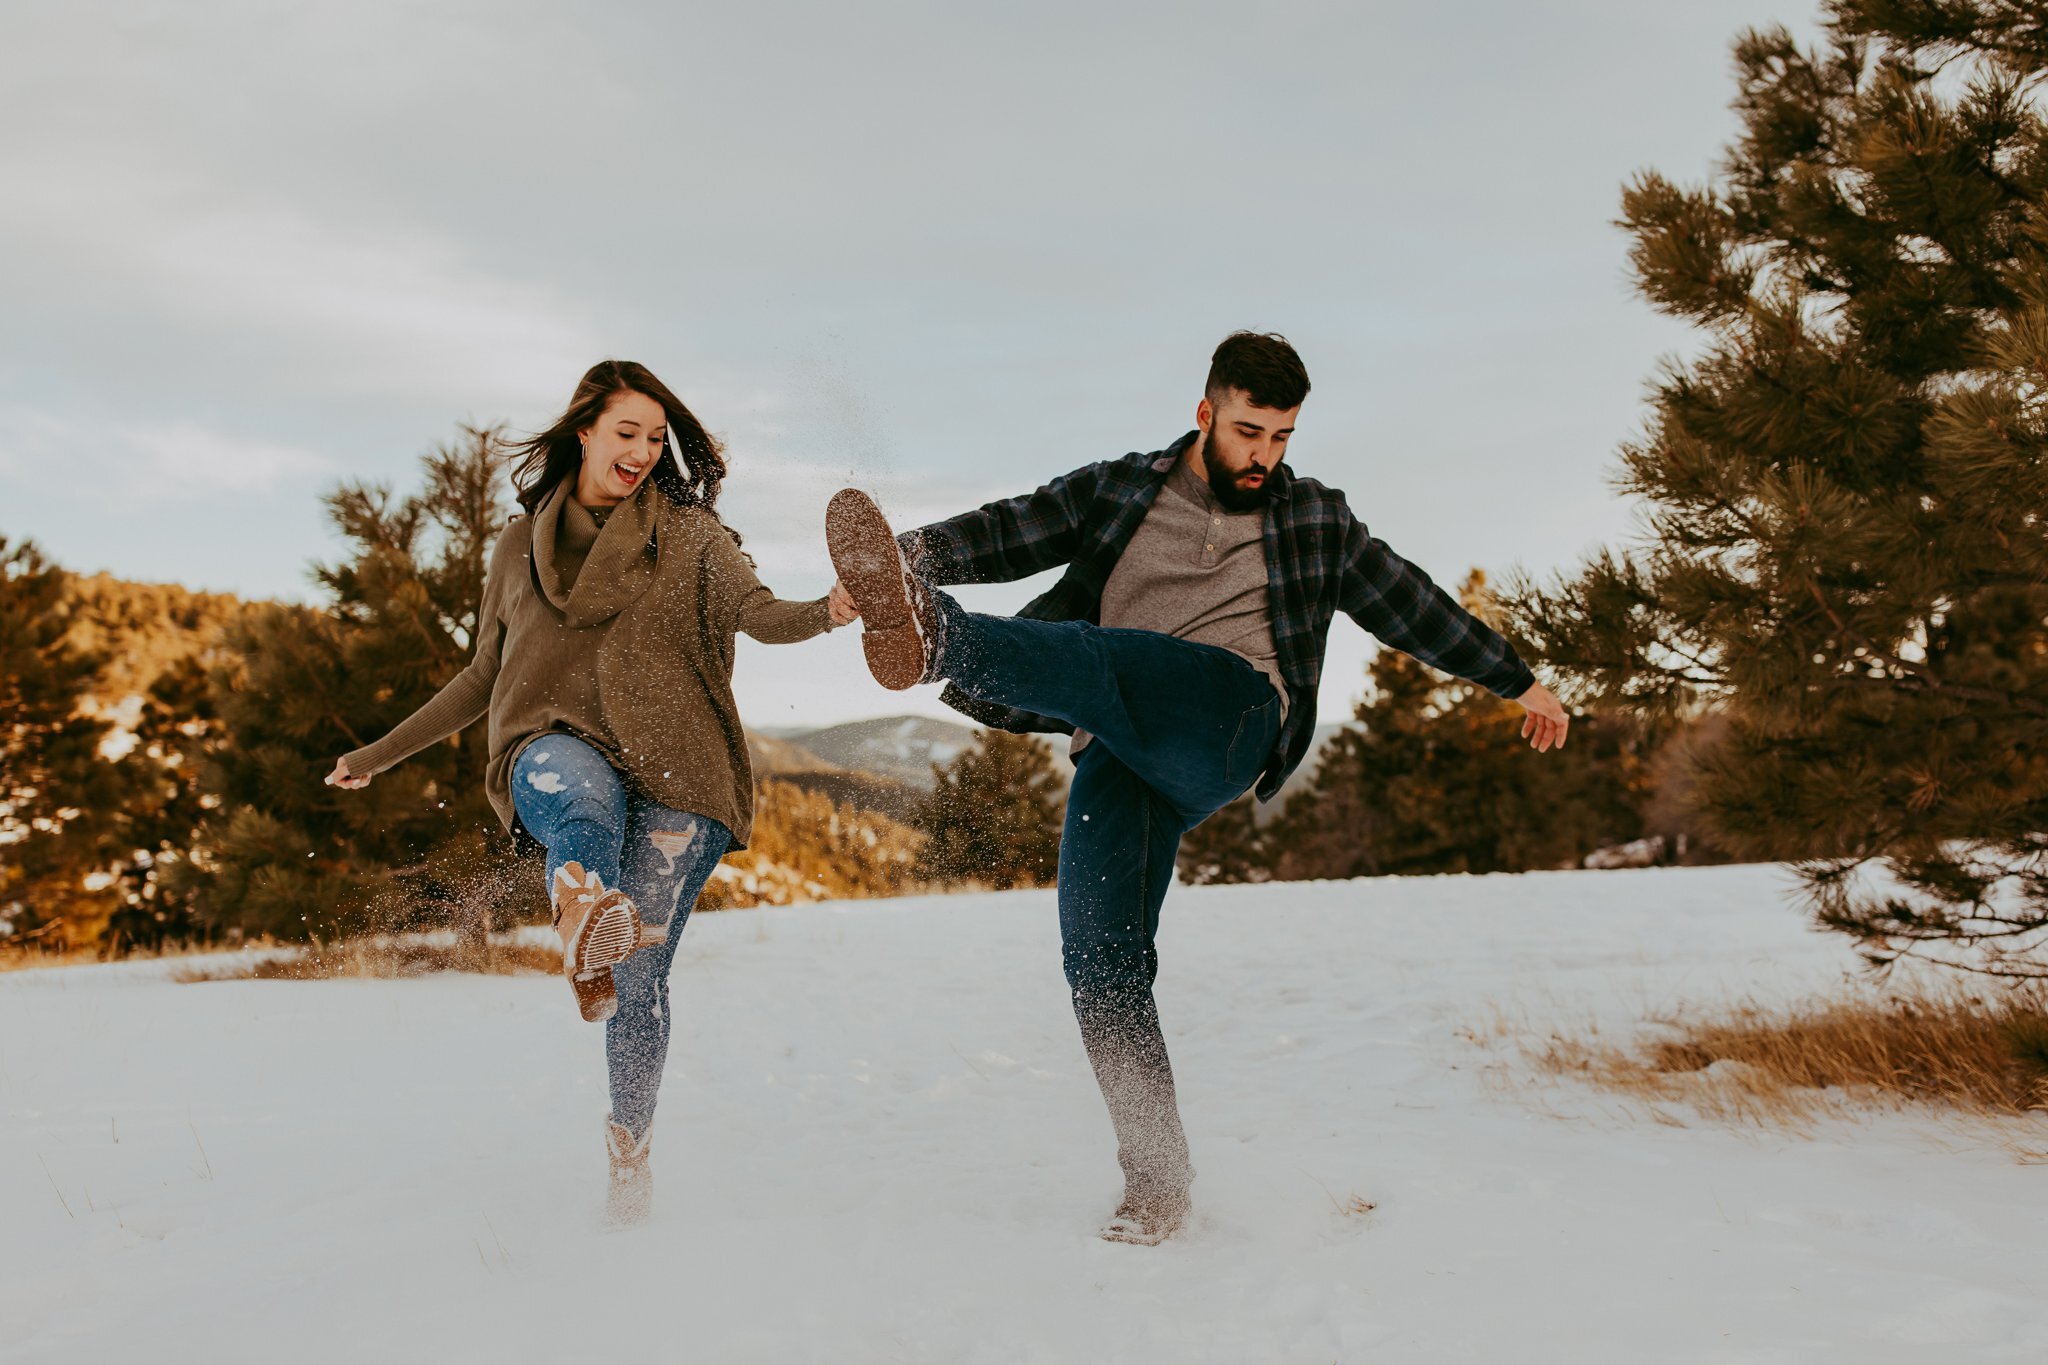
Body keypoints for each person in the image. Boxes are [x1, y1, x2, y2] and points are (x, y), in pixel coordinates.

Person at [824, 331, 1568, 1244]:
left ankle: (936, 639)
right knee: (1101, 959)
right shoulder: (1120, 489)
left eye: (1283, 437)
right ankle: (1158, 1182)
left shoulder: (1314, 520)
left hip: (1231, 714)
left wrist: (1517, 679)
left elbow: (1410, 603)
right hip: (1124, 746)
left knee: (1112, 660)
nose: (1265, 456)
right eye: (1250, 431)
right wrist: (896, 562)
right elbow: (1011, 526)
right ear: (1206, 412)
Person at [325, 359, 853, 1225]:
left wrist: (829, 610)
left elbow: (760, 612)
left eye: (656, 438)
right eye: (627, 433)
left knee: (638, 978)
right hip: (552, 741)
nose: (644, 451)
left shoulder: (690, 536)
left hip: (683, 773)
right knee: (579, 799)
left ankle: (628, 1157)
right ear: (584, 432)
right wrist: (381, 753)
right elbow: (481, 676)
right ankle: (579, 909)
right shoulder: (516, 546)